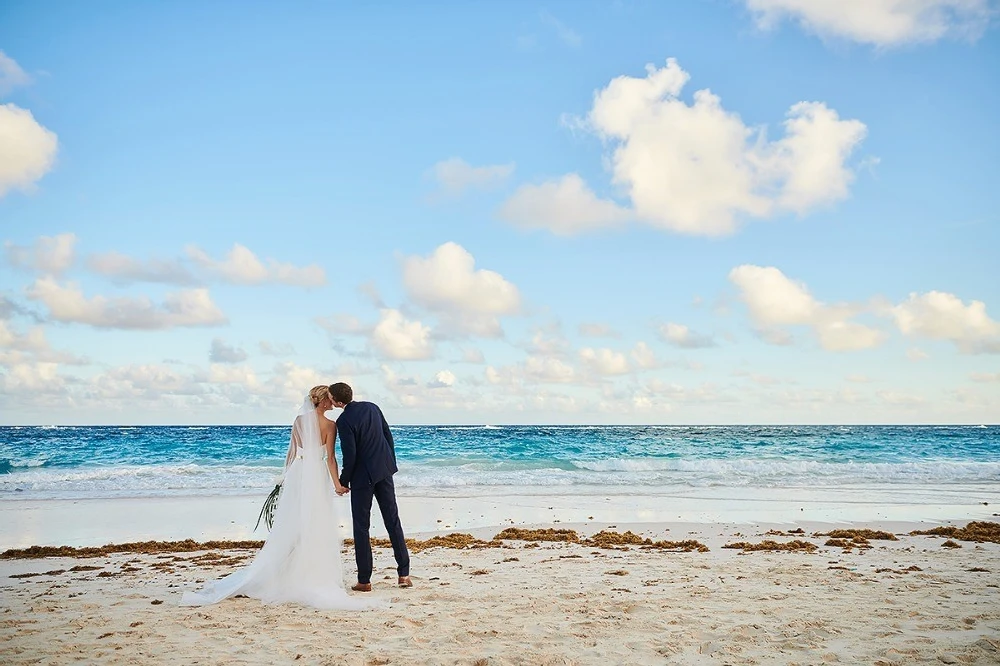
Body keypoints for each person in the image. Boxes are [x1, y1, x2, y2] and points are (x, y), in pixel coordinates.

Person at [179, 386, 380, 609]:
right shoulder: (330, 426)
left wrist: (285, 478)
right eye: (330, 399)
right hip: (316, 475)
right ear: (324, 401)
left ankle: (288, 572)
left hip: (298, 474)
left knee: (293, 521)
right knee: (316, 522)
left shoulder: (298, 421)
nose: (333, 403)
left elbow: (292, 453)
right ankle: (311, 573)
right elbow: (330, 459)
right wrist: (338, 484)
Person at [329, 382, 412, 591]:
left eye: (331, 397)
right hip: (384, 472)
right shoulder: (372, 407)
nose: (329, 400)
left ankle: (364, 580)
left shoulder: (343, 420)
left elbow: (351, 455)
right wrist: (390, 463)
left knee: (361, 527)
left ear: (338, 402)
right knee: (393, 521)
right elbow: (387, 436)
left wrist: (342, 481)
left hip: (361, 478)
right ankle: (404, 575)